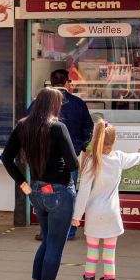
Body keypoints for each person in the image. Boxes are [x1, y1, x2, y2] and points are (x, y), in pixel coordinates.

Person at [1, 87, 78, 280]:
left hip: (36, 190)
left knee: (47, 240)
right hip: (59, 191)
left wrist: (23, 184)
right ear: (54, 105)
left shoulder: (23, 126)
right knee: (55, 244)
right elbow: (73, 163)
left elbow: (7, 158)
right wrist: (62, 168)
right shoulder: (57, 127)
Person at [71, 119, 140, 280]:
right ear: (113, 142)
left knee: (91, 256)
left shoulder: (90, 161)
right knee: (109, 257)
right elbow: (136, 157)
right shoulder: (118, 158)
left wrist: (77, 216)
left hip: (93, 216)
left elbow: (82, 191)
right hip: (111, 216)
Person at [29, 69, 93, 241]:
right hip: (68, 158)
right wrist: (80, 146)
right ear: (67, 83)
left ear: (51, 83)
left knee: (44, 193)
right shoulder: (78, 103)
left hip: (43, 159)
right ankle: (68, 232)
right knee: (68, 194)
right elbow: (89, 128)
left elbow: (26, 125)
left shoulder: (39, 103)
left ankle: (46, 232)